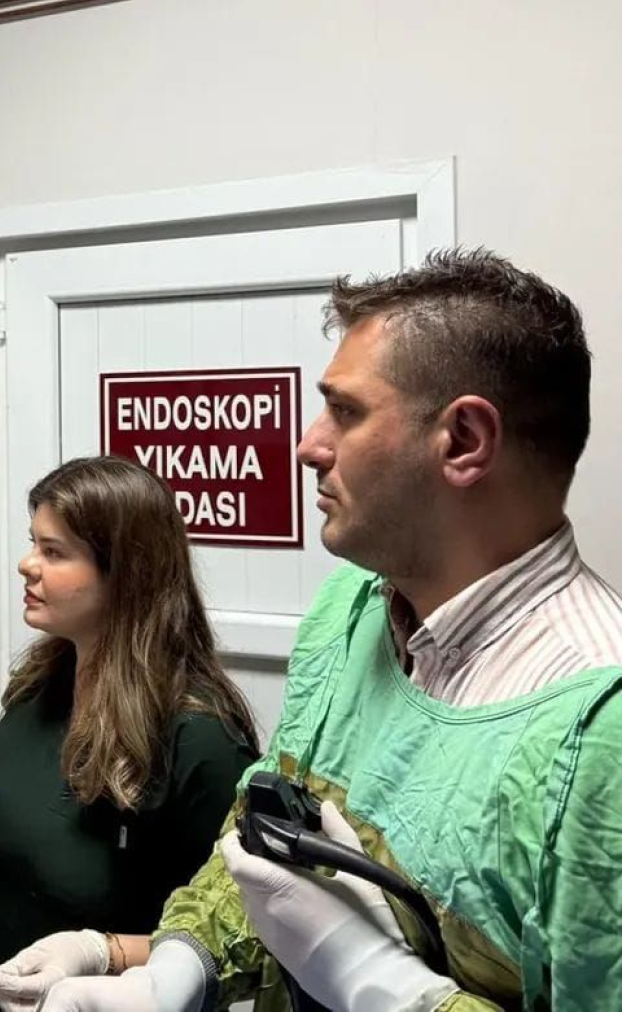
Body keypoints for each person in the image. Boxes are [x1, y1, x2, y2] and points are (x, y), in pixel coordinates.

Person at [43, 248, 622, 1012]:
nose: (308, 444)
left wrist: (382, 983)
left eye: (345, 412)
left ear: (464, 440)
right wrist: (176, 969)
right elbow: (264, 831)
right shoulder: (349, 611)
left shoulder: (598, 727)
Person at [0, 456, 258, 1011]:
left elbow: (246, 937)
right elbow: (45, 832)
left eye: (54, 552)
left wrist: (100, 953)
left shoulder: (200, 738)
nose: (27, 565)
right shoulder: (39, 690)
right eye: (33, 544)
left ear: (127, 573)